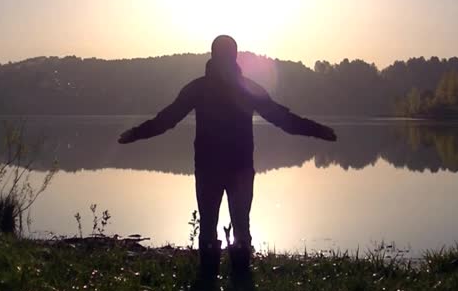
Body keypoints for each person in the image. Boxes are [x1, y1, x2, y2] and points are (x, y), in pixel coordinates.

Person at [118, 35, 336, 277]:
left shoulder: (206, 87)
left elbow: (167, 119)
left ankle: (221, 279)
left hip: (221, 169)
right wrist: (318, 131)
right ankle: (229, 280)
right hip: (228, 168)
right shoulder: (229, 88)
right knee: (229, 225)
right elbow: (282, 119)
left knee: (222, 225)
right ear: (232, 56)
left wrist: (318, 131)